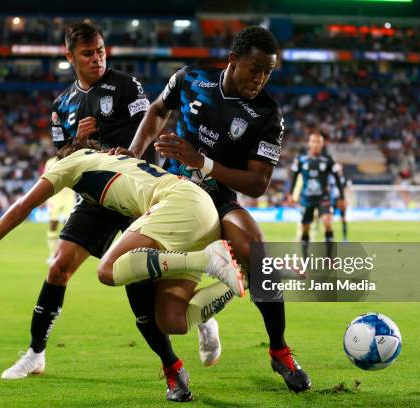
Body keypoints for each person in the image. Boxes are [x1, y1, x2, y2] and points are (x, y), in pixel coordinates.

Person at [0, 143, 246, 401]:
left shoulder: (73, 162)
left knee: (108, 270)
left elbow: (26, 203)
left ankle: (205, 260)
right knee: (173, 320)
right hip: (197, 210)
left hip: (179, 204)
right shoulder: (112, 163)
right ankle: (233, 282)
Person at [116, 26, 312, 393]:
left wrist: (202, 163)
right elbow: (159, 107)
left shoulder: (268, 114)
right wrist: (134, 149)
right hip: (167, 194)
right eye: (255, 68)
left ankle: (280, 351)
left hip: (217, 197)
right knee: (155, 302)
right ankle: (172, 366)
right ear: (233, 60)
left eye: (269, 72)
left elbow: (257, 184)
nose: (261, 79)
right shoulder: (190, 79)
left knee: (257, 253)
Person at [0, 21, 157, 382]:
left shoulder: (126, 85)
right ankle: (35, 354)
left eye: (100, 51)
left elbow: (151, 127)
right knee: (58, 267)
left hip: (136, 192)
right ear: (70, 56)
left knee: (153, 278)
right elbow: (62, 157)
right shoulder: (62, 104)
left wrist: (131, 154)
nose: (97, 59)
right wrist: (78, 140)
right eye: (88, 54)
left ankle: (202, 319)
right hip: (96, 197)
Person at [289, 132, 345, 257]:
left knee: (328, 222)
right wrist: (290, 193)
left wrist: (341, 197)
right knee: (305, 228)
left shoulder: (328, 159)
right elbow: (294, 176)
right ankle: (305, 257)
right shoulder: (301, 159)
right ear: (309, 143)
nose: (316, 144)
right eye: (313, 141)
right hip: (306, 198)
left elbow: (337, 178)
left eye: (318, 142)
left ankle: (329, 258)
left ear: (322, 144)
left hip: (323, 198)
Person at [43, 155, 76, 264]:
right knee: (53, 225)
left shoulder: (73, 159)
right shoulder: (50, 162)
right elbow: (45, 179)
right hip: (54, 197)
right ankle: (52, 255)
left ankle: (65, 255)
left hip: (68, 196)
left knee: (69, 226)